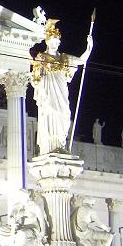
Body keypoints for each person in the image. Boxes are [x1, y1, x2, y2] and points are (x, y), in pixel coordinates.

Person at [28, 18, 93, 155]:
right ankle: (50, 146)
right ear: (47, 42)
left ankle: (60, 144)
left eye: (57, 42)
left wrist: (89, 47)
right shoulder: (41, 57)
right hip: (48, 94)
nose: (55, 44)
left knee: (64, 114)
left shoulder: (64, 58)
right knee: (50, 114)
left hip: (61, 93)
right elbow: (35, 79)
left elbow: (81, 60)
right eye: (53, 42)